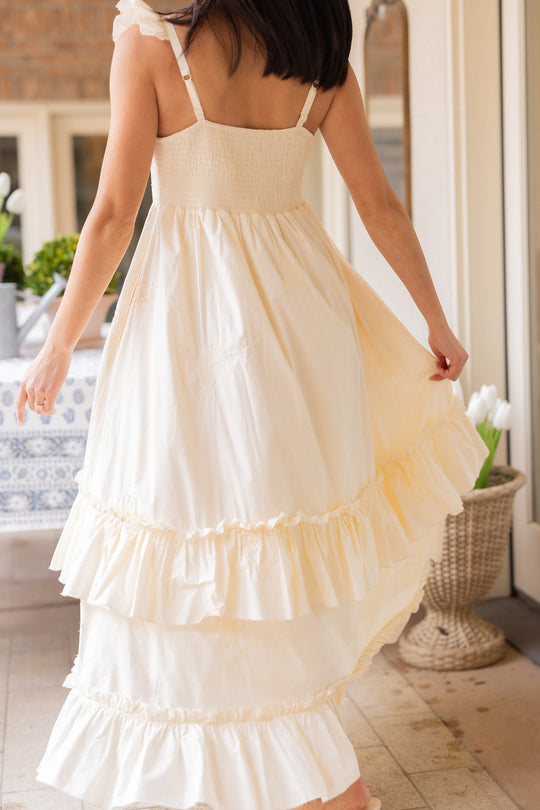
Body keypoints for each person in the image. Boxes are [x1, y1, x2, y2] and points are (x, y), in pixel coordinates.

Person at [18, 0, 489, 808]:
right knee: (271, 546)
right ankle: (303, 774)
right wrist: (435, 320)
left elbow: (112, 217)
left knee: (182, 538)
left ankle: (271, 779)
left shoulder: (150, 42)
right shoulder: (319, 49)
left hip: (188, 326)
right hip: (301, 325)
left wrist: (60, 342)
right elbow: (380, 206)